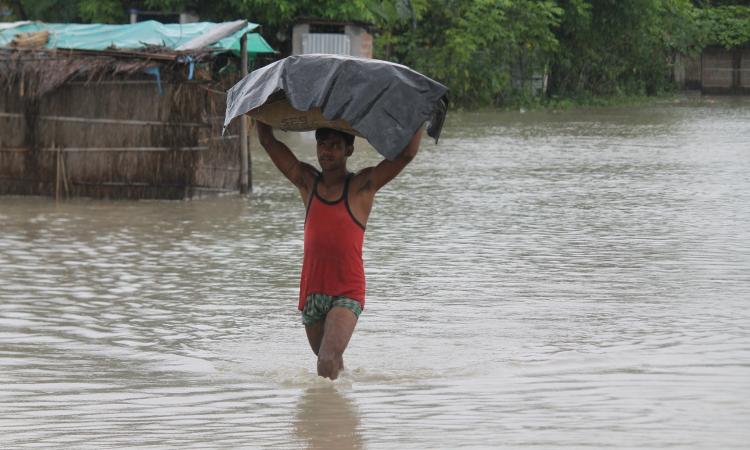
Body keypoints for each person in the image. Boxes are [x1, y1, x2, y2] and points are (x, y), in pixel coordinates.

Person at [256, 121, 422, 380]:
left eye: (335, 146)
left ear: (349, 150)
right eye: (322, 144)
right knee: (331, 366)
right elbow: (268, 141)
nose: (327, 152)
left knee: (327, 359)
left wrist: (419, 116)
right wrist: (259, 110)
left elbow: (406, 154)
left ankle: (326, 419)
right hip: (312, 291)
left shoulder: (361, 186)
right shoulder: (307, 182)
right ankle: (343, 412)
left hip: (347, 290)